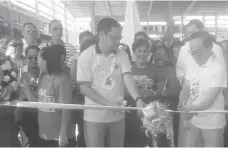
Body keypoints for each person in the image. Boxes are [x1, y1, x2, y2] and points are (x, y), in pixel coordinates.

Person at [77, 18, 144, 147]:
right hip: (94, 118)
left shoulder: (122, 55)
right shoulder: (86, 56)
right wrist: (108, 104)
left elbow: (127, 77)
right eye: (115, 38)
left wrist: (138, 98)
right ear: (102, 34)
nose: (118, 41)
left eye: (120, 37)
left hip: (117, 118)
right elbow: (84, 88)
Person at [20, 45, 76, 147]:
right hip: (45, 133)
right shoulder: (44, 78)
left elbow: (66, 108)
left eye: (38, 58)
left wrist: (62, 133)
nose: (37, 61)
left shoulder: (61, 80)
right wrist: (26, 87)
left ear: (45, 61)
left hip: (59, 136)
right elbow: (36, 102)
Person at [178, 31, 226, 147]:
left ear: (210, 47)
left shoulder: (218, 67)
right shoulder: (192, 63)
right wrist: (181, 107)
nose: (194, 56)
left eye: (198, 52)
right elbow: (185, 89)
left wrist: (191, 110)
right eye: (192, 52)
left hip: (212, 122)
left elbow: (210, 99)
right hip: (194, 119)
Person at [69, 30, 94, 147]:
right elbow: (73, 86)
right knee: (83, 136)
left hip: (96, 107)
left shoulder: (100, 64)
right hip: (82, 106)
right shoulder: (75, 64)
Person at [15, 45, 41, 147]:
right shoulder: (21, 72)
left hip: (43, 114)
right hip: (27, 114)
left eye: (36, 57)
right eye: (31, 57)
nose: (34, 60)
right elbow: (18, 93)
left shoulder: (45, 71)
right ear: (25, 57)